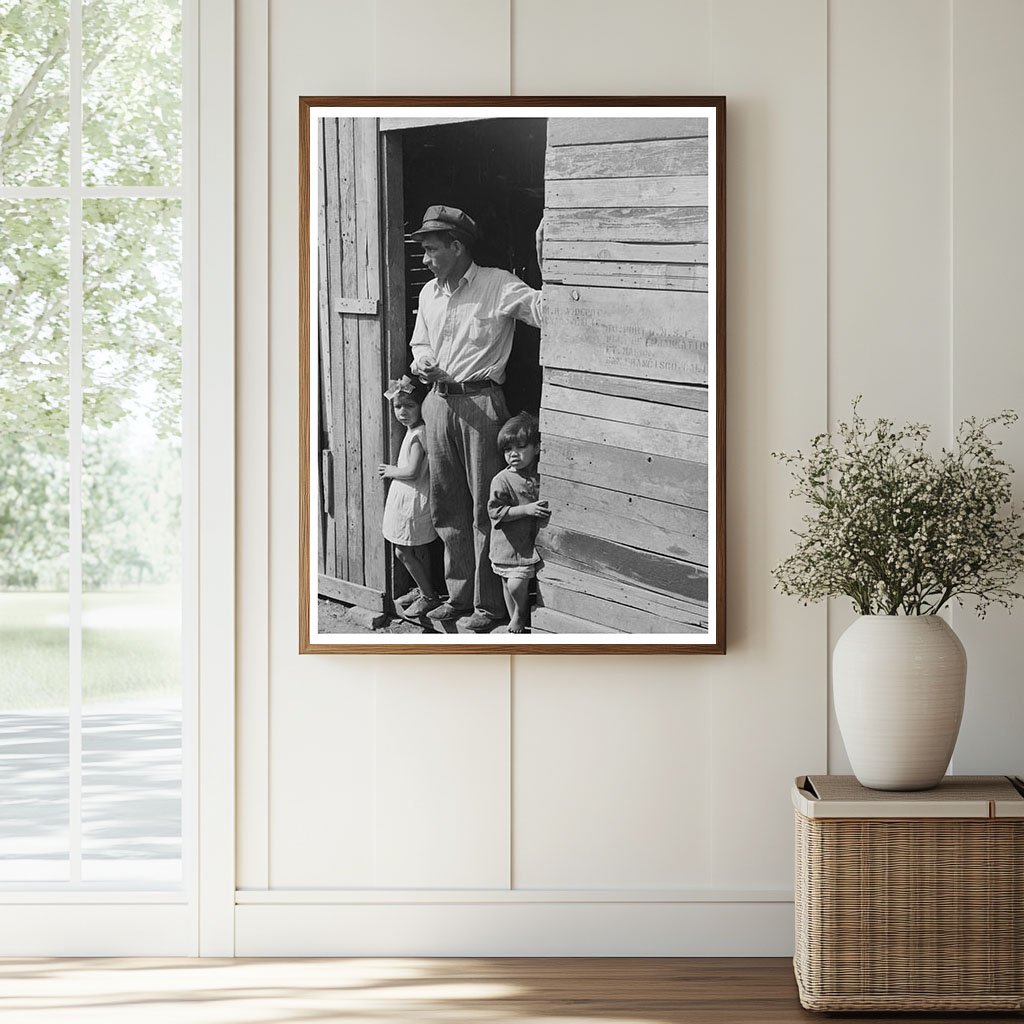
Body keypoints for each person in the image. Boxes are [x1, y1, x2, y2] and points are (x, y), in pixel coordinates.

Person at [408, 204, 544, 632]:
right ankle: (458, 596)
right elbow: (419, 344)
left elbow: (544, 311)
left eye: (432, 250)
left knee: (489, 506)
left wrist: (551, 258)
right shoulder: (429, 293)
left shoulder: (498, 285)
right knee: (447, 506)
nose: (426, 259)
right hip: (437, 403)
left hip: (481, 404)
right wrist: (423, 362)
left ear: (457, 246)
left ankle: (489, 605)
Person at [378, 375, 441, 618]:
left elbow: (413, 471)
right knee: (418, 548)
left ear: (421, 407)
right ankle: (423, 589)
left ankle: (429, 597)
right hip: (409, 496)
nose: (402, 412)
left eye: (410, 406)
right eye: (398, 406)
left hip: (412, 498)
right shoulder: (413, 430)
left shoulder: (418, 434)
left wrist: (390, 471)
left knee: (403, 551)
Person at [487, 412, 550, 633]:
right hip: (509, 544)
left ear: (537, 448)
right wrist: (526, 509)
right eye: (507, 450)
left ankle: (518, 616)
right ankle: (518, 615)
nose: (513, 454)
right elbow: (496, 512)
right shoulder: (502, 479)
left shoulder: (540, 475)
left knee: (515, 583)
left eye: (520, 448)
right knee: (510, 582)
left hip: (527, 543)